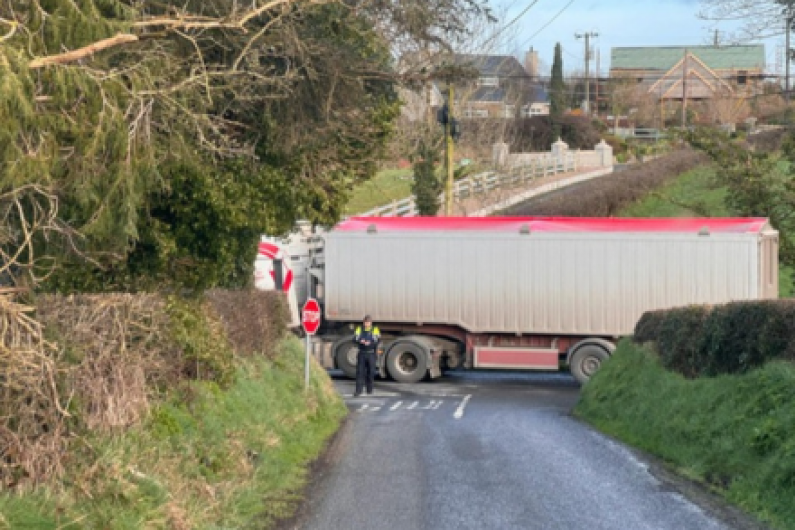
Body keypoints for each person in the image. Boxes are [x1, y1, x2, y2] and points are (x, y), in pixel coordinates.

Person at [353, 315, 380, 396]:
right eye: (366, 322)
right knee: (360, 372)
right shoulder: (359, 329)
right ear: (363, 322)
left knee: (371, 372)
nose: (367, 324)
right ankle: (358, 391)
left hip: (371, 353)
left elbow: (377, 339)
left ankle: (369, 389)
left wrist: (370, 342)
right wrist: (361, 341)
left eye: (368, 322)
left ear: (371, 323)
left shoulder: (375, 329)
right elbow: (355, 338)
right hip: (362, 352)